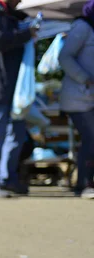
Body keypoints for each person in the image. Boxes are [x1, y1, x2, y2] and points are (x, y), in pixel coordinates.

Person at [0, 0, 38, 198]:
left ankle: (7, 179)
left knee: (16, 134)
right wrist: (26, 34)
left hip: (13, 88)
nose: (20, 1)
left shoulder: (9, 15)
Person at [59, 0, 94, 199]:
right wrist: (84, 78)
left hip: (90, 97)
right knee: (91, 137)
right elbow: (64, 57)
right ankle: (83, 183)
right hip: (78, 97)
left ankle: (86, 181)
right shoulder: (82, 27)